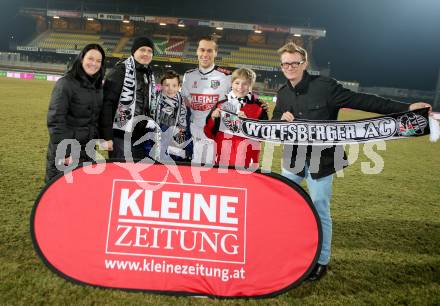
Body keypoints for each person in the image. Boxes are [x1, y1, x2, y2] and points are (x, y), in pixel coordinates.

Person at [272, 42, 431, 281]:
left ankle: (321, 262)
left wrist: (407, 108)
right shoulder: (282, 92)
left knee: (320, 208)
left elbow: (364, 101)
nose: (290, 67)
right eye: (285, 64)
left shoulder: (325, 87)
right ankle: (290, 250)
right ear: (281, 66)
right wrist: (280, 119)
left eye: (294, 63)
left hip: (322, 159)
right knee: (284, 204)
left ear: (304, 63)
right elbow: (274, 121)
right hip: (292, 158)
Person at [45, 44, 112, 182]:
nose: (94, 63)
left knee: (81, 195)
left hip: (87, 151)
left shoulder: (98, 87)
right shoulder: (65, 84)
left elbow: (94, 120)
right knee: (60, 195)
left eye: (98, 61)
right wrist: (66, 152)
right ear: (81, 59)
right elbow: (56, 121)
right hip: (67, 152)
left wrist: (102, 139)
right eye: (90, 59)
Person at [103, 36, 157, 161]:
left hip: (142, 137)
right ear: (134, 51)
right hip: (121, 136)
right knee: (123, 174)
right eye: (142, 50)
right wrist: (106, 136)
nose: (146, 54)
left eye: (150, 51)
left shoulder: (148, 74)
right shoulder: (120, 70)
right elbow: (107, 104)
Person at [181, 36, 231, 165]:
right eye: (202, 50)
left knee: (211, 171)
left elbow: (240, 99)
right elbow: (183, 103)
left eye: (209, 51)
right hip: (192, 133)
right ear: (197, 51)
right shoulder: (189, 75)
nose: (205, 54)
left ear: (215, 53)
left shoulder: (226, 76)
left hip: (214, 133)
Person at [204, 68, 268, 167]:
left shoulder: (259, 107)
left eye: (245, 84)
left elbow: (264, 136)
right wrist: (212, 118)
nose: (240, 87)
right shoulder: (221, 105)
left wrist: (246, 123)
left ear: (251, 85)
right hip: (223, 159)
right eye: (237, 83)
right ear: (232, 83)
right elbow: (209, 133)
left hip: (248, 160)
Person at [153, 70, 190, 161]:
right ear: (161, 86)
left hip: (176, 150)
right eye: (167, 85)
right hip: (156, 147)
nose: (170, 89)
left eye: (174, 85)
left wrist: (185, 149)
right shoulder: (153, 102)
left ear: (179, 87)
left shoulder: (184, 105)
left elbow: (187, 130)